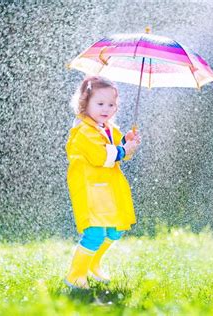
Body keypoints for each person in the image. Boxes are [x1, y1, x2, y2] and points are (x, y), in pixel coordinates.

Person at [64, 75, 141, 289]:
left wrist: (128, 142)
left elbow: (120, 151)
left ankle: (93, 264)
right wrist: (122, 150)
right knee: (95, 232)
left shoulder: (107, 127)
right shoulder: (83, 131)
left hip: (108, 189)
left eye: (111, 104)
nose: (106, 108)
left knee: (115, 229)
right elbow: (101, 155)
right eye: (100, 103)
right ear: (84, 103)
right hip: (90, 189)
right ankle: (75, 275)